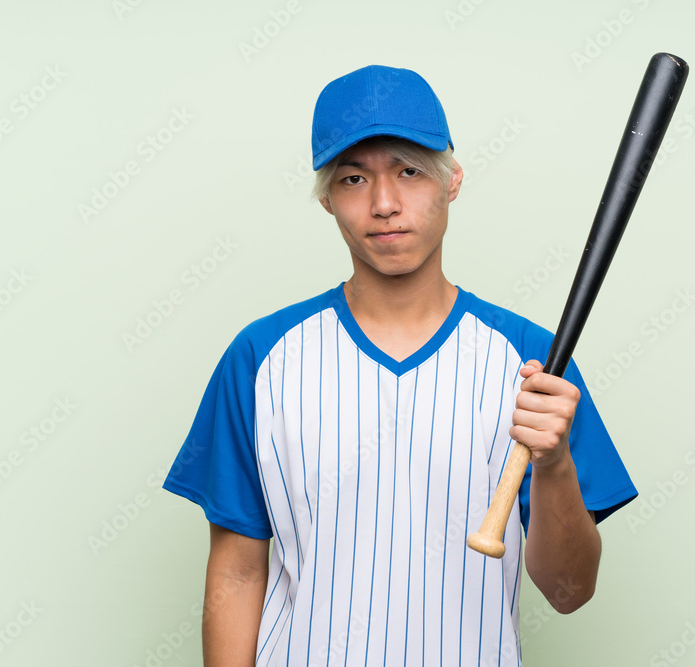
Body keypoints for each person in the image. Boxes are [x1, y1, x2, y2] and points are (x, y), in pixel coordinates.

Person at [162, 64, 637, 666]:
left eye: (409, 172)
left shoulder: (536, 365)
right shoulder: (260, 357)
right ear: (328, 198)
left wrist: (554, 464)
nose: (384, 204)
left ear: (452, 181)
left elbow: (570, 592)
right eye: (355, 178)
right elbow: (236, 570)